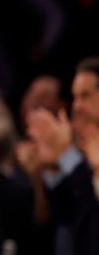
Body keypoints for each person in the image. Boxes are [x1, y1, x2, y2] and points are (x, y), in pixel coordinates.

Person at [27, 56, 99, 255]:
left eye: (85, 95)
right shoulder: (86, 145)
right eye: (75, 97)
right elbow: (69, 217)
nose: (77, 106)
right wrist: (54, 166)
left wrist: (67, 155)